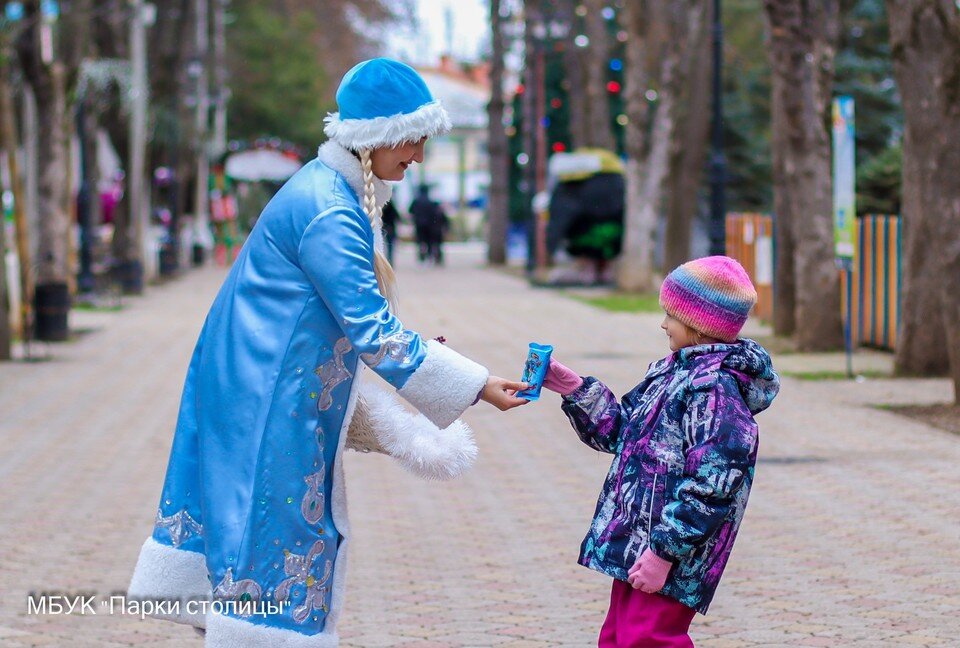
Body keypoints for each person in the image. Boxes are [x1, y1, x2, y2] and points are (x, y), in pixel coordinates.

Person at [128, 58, 528, 647]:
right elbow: (371, 329)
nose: (418, 156)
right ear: (377, 137)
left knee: (257, 518)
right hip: (268, 390)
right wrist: (476, 384)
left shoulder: (334, 191)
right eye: (412, 140)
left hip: (259, 379)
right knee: (279, 524)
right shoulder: (332, 210)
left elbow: (360, 320)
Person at [541, 256, 780, 647]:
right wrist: (576, 390)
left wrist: (663, 553)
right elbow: (620, 433)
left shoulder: (714, 390)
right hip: (638, 543)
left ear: (700, 325)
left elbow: (714, 485)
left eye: (671, 314)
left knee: (647, 639)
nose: (663, 323)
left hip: (670, 552)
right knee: (619, 638)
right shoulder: (672, 373)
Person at [409, 183, 447, 265]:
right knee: (429, 242)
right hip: (429, 226)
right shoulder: (430, 201)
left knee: (420, 242)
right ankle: (429, 256)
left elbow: (410, 212)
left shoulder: (416, 201)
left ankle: (421, 257)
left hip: (419, 224)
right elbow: (434, 214)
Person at [380, 199, 400, 264]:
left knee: (382, 244)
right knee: (390, 246)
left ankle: (384, 259)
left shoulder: (382, 209)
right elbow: (397, 217)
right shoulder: (392, 208)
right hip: (391, 228)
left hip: (383, 228)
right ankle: (389, 260)